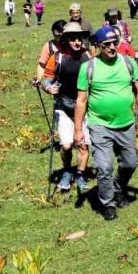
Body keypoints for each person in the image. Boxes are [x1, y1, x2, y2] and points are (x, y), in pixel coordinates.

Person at [74, 25, 138, 220]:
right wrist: (78, 131)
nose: (112, 47)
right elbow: (81, 100)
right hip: (99, 124)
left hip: (126, 123)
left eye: (115, 42)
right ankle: (107, 203)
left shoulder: (128, 63)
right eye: (107, 44)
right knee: (104, 166)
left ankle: (117, 188)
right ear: (98, 46)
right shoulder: (88, 67)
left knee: (131, 163)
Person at [39, 21, 92, 193]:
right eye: (73, 39)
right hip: (63, 105)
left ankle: (80, 174)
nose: (77, 42)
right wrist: (48, 87)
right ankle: (67, 171)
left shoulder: (88, 56)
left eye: (79, 38)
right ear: (66, 40)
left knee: (83, 145)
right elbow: (46, 77)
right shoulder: (58, 57)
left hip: (84, 107)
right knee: (67, 145)